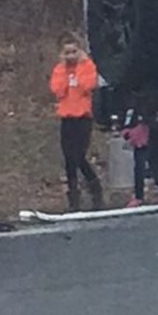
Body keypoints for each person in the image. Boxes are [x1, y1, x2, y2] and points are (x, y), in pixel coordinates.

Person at [49, 33, 104, 212]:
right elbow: (57, 90)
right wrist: (66, 72)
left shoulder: (88, 66)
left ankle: (95, 189)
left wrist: (80, 67)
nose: (71, 56)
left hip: (83, 117)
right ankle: (73, 198)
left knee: (79, 155)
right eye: (67, 53)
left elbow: (88, 86)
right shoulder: (59, 70)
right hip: (67, 117)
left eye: (74, 52)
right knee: (69, 159)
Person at [120, 106, 153, 208]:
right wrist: (129, 133)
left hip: (155, 140)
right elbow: (126, 126)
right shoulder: (132, 109)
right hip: (140, 144)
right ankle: (139, 196)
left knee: (157, 165)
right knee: (139, 168)